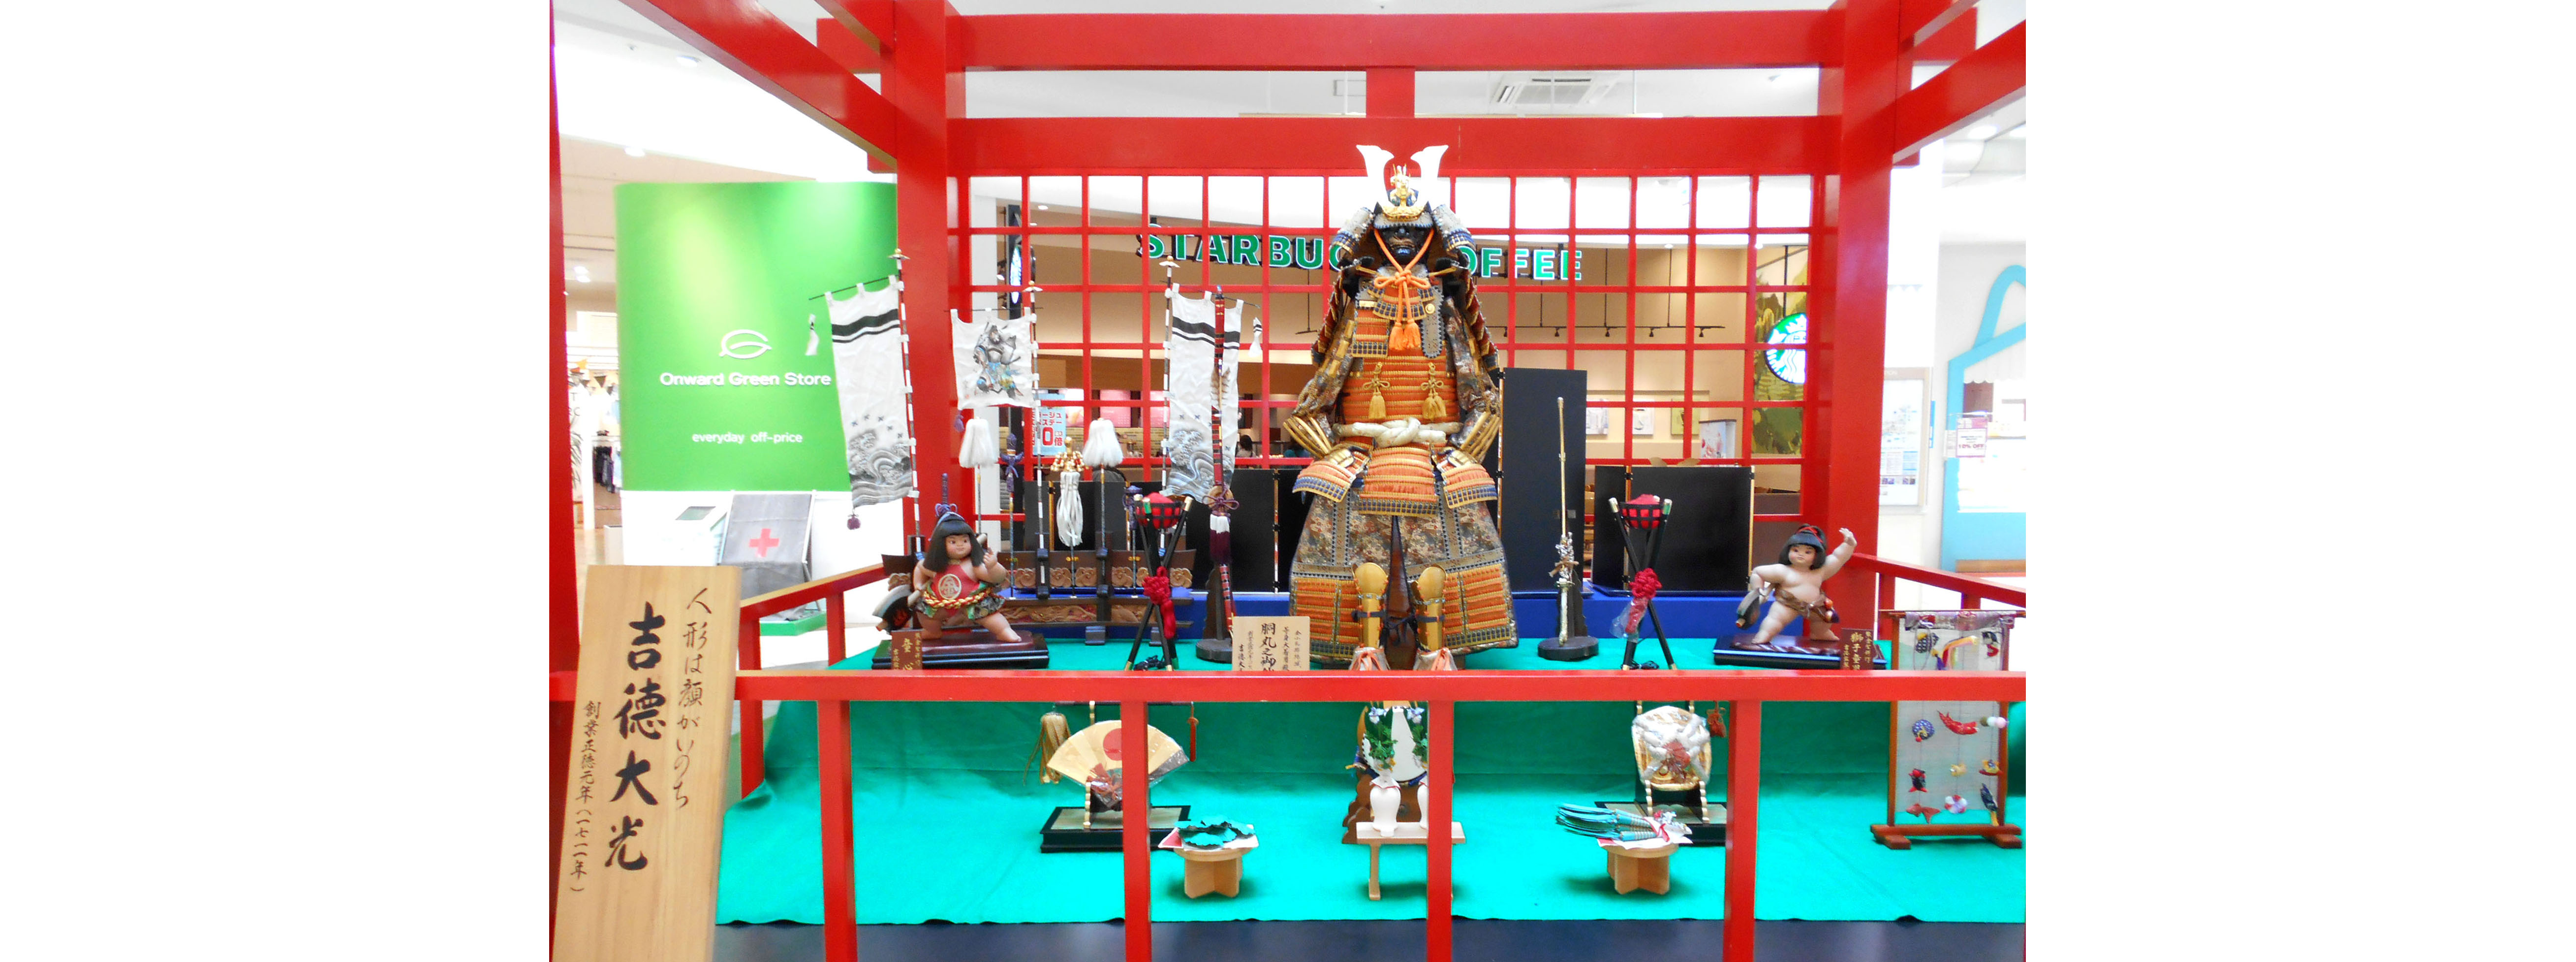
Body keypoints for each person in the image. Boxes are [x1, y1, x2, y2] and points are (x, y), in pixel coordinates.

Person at [910, 510, 1020, 642]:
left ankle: (1004, 631)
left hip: (973, 603)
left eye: (965, 540)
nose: (960, 545)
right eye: (953, 542)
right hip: (940, 604)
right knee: (925, 614)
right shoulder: (935, 566)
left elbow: (997, 578)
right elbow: (920, 568)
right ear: (940, 544)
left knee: (990, 617)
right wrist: (918, 584)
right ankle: (932, 631)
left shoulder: (973, 566)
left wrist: (993, 567)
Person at [1741, 525, 1856, 647]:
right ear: (1788, 551)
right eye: (1796, 550)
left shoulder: (1821, 571)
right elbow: (1758, 573)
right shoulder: (1783, 571)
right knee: (1775, 621)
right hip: (1787, 604)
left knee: (1825, 620)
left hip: (1816, 606)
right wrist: (1758, 592)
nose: (1801, 555)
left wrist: (1849, 544)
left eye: (1808, 552)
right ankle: (1765, 635)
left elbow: (1838, 558)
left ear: (1818, 555)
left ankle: (1820, 634)